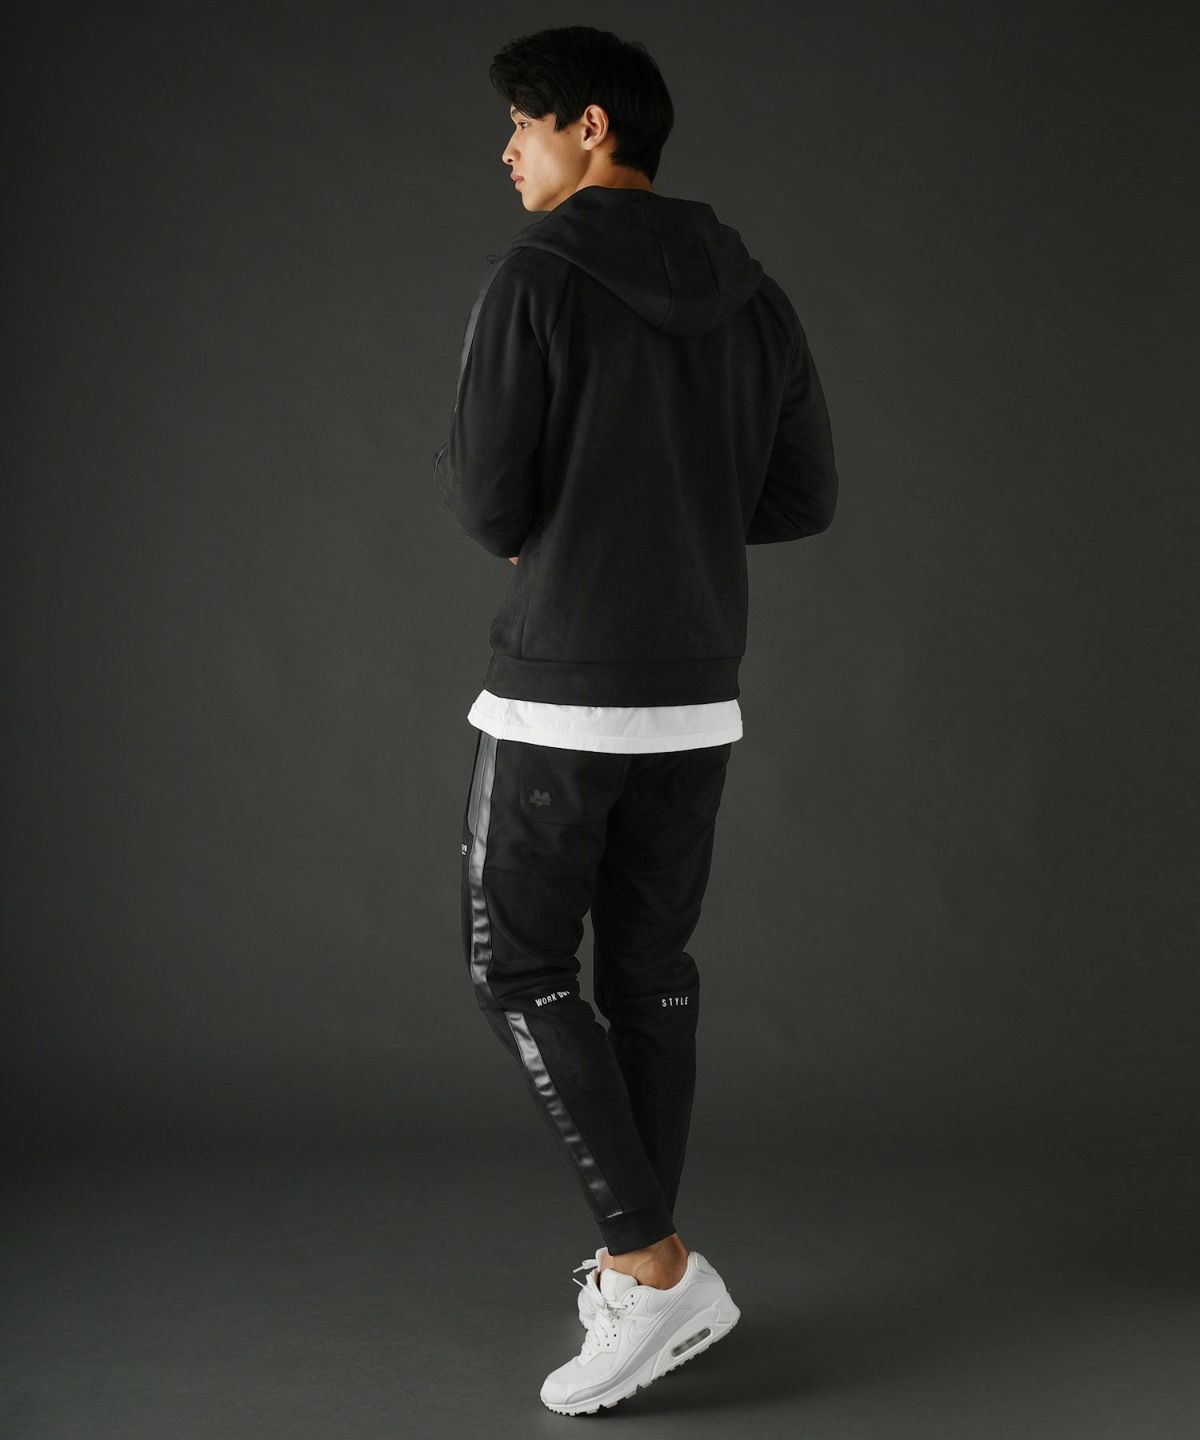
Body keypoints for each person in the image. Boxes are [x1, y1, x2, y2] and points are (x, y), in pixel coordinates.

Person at [434, 24, 839, 1415]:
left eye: (523, 124)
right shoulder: (755, 293)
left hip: (563, 680)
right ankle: (643, 1275)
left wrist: (572, 522)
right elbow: (803, 495)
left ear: (590, 126)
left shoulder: (539, 272)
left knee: (517, 966)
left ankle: (654, 1266)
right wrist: (677, 515)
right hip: (696, 689)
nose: (507, 149)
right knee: (650, 969)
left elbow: (485, 496)